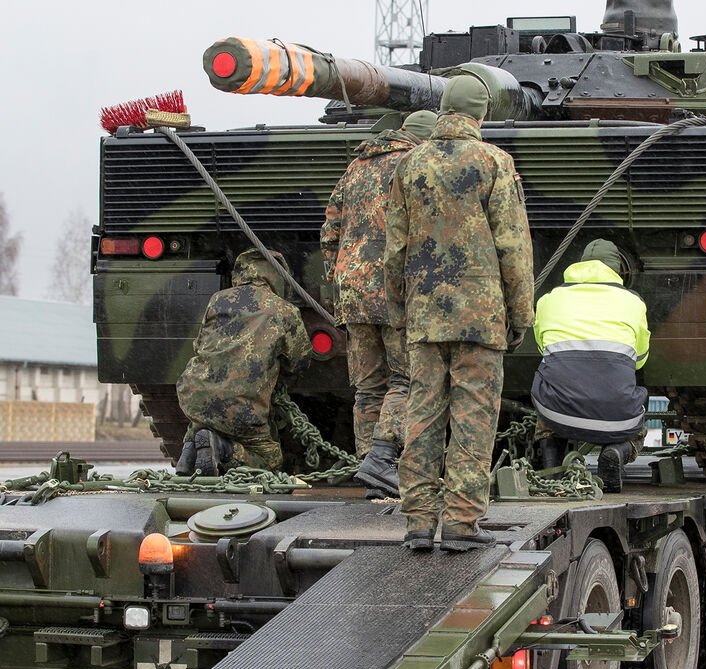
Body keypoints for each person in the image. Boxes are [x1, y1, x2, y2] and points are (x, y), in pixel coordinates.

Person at [385, 74, 534, 552]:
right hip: (480, 316)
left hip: (425, 315)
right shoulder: (494, 162)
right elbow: (513, 247)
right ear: (481, 114)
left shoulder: (410, 166)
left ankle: (418, 521)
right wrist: (521, 314)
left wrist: (399, 311)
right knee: (473, 415)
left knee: (423, 415)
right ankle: (461, 522)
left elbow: (394, 249)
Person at [321, 110, 436, 498]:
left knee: (369, 387)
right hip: (395, 288)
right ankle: (384, 460)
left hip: (351, 287)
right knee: (407, 379)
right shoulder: (416, 165)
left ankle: (372, 474)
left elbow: (330, 229)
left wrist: (339, 276)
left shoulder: (357, 166)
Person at [175, 249, 310, 475]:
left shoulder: (217, 300)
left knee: (205, 416)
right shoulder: (285, 310)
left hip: (194, 396)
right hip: (243, 407)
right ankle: (225, 451)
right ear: (278, 276)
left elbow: (199, 346)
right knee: (270, 460)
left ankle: (190, 450)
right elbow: (300, 361)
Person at [531, 238, 650, 492]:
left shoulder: (548, 299)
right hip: (617, 418)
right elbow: (640, 360)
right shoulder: (634, 303)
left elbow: (544, 349)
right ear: (617, 270)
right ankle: (618, 451)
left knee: (551, 379)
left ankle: (551, 467)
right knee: (637, 417)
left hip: (557, 413)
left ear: (580, 264)